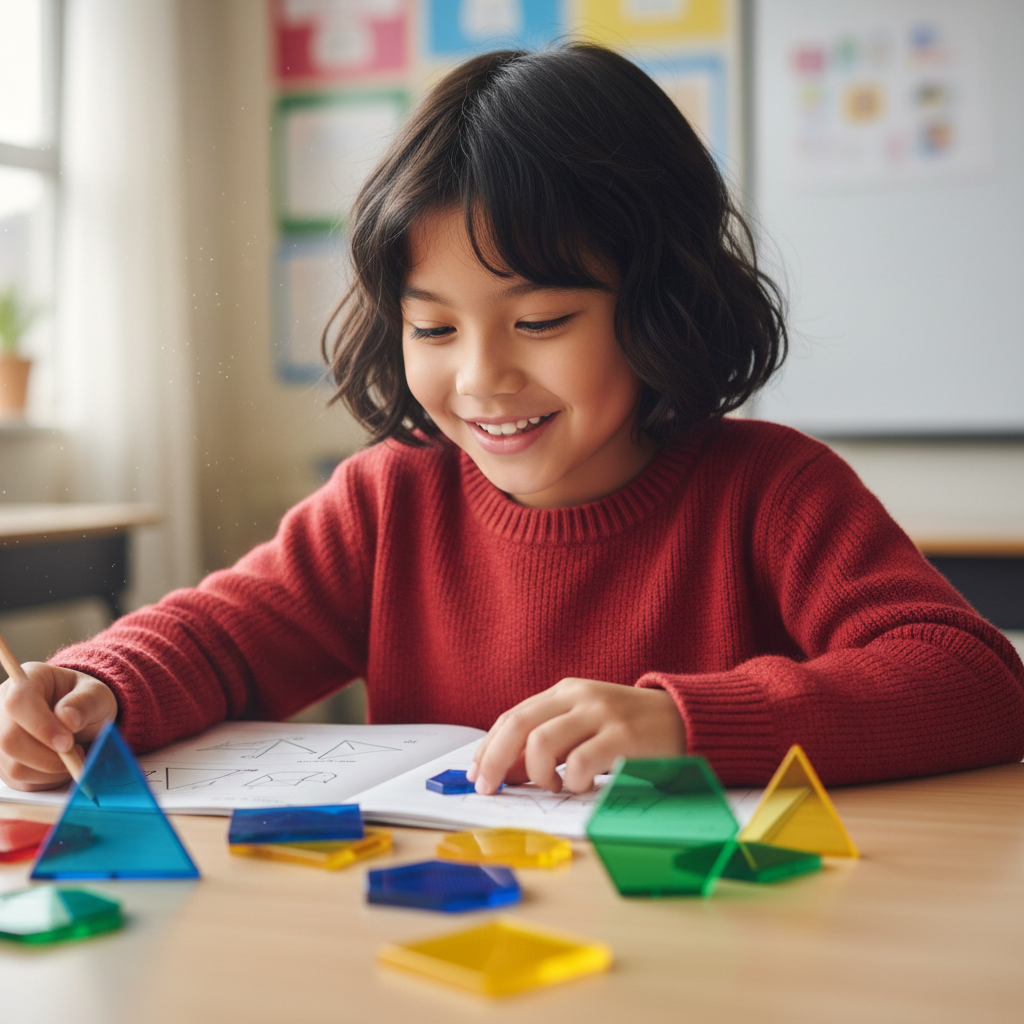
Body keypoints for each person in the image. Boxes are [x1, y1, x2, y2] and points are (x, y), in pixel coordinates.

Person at [1, 44, 1021, 796]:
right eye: (432, 327)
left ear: (658, 296)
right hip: (447, 934)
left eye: (539, 319)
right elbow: (221, 637)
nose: (482, 376)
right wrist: (99, 685)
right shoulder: (388, 499)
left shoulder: (770, 491)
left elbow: (973, 679)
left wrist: (686, 722)